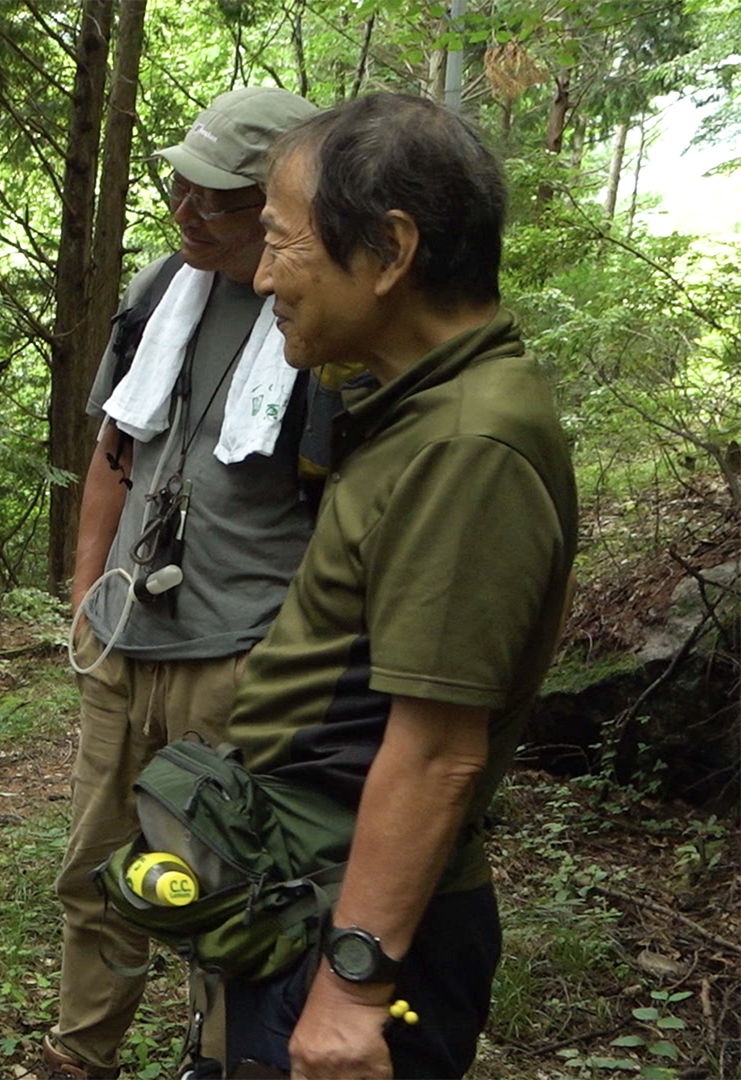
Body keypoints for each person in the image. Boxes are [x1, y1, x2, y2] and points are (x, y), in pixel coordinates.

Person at [218, 93, 578, 1079]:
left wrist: (350, 990)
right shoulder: (421, 412)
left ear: (387, 251)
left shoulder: (472, 444)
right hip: (311, 892)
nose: (261, 277)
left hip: (361, 932)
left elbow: (437, 750)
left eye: (282, 245)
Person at [48, 87, 320, 1080]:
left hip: (239, 658)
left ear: (282, 202)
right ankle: (82, 1058)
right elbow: (113, 453)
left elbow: (338, 511)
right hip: (124, 646)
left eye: (217, 198)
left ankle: (218, 1061)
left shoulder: (316, 320)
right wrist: (87, 594)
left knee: (223, 884)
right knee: (96, 873)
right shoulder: (162, 289)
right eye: (180, 186)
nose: (186, 210)